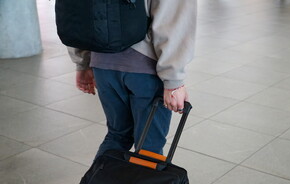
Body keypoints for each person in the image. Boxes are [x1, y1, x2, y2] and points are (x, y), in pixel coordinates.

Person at [67, 0, 196, 157]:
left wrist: (83, 61)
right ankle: (142, 181)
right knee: (149, 146)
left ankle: (99, 181)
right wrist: (173, 80)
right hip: (145, 67)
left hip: (102, 62)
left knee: (117, 136)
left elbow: (74, 14)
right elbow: (172, 20)